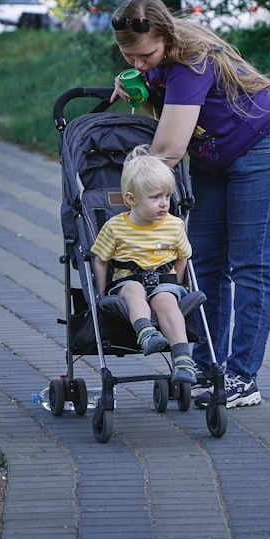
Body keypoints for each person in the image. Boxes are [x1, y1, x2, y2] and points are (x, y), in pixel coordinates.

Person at [109, 0, 270, 409]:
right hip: (216, 159)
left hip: (265, 149)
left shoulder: (191, 60)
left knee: (251, 266)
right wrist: (141, 87)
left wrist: (133, 199)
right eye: (129, 57)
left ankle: (242, 376)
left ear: (164, 36)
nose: (138, 63)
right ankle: (207, 363)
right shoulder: (158, 63)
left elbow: (167, 149)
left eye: (146, 55)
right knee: (205, 262)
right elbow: (162, 117)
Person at [91, 145, 197, 383]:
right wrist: (99, 292)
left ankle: (182, 361)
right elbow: (101, 260)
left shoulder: (174, 225)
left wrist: (175, 285)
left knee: (168, 302)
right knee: (133, 289)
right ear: (132, 199)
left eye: (168, 196)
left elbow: (182, 256)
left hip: (164, 281)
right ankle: (146, 333)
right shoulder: (115, 227)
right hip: (128, 281)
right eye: (155, 197)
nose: (164, 203)